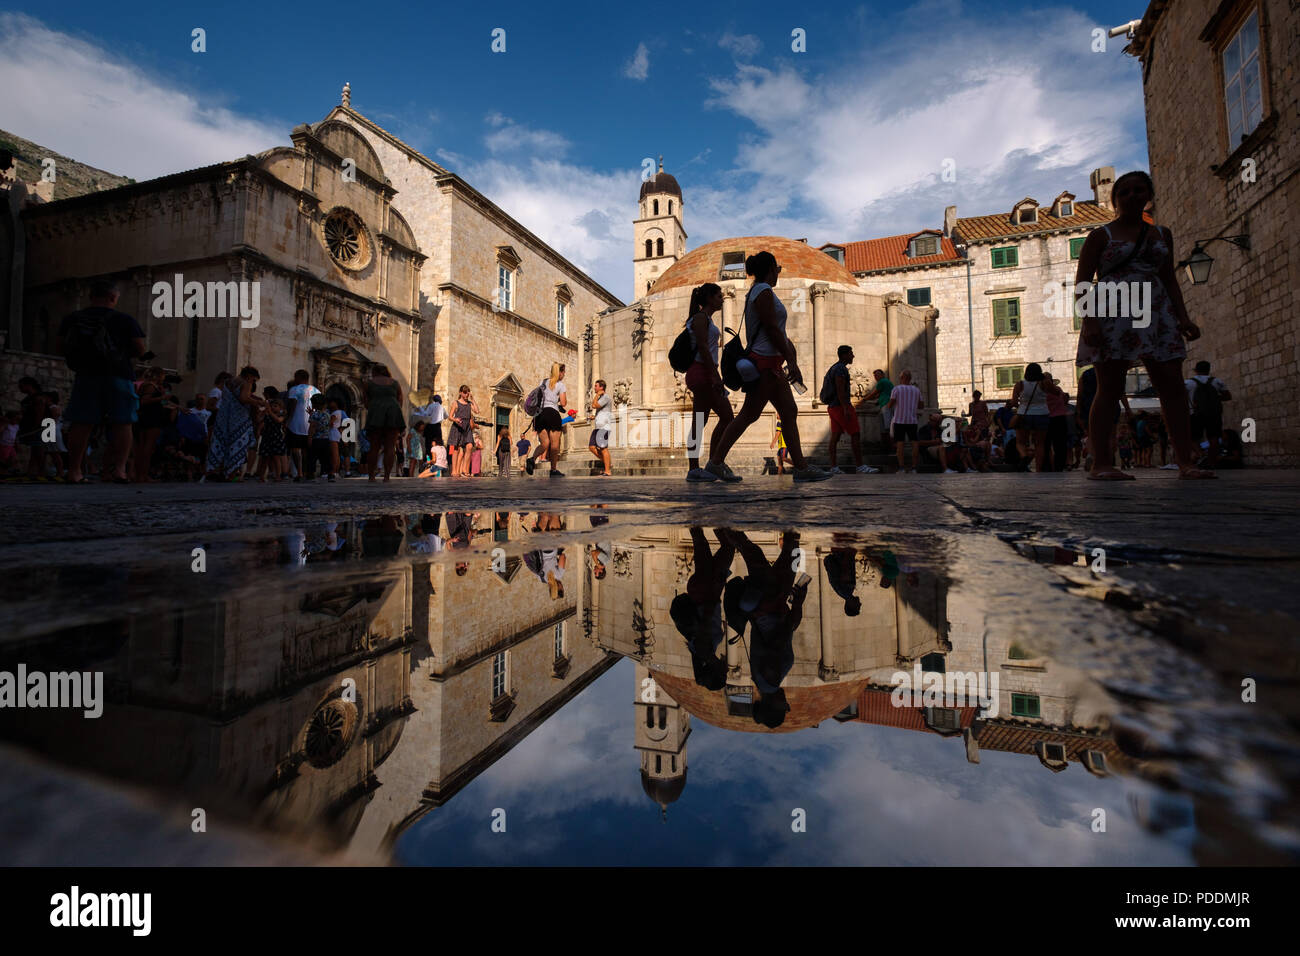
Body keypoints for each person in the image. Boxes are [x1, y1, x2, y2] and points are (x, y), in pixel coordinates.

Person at [1074, 169, 1214, 479]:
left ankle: (1185, 462)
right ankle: (1101, 464)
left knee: (1173, 387)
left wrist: (1183, 316)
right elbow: (1083, 282)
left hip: (1156, 310)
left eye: (1139, 190)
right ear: (1115, 200)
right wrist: (1090, 322)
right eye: (1125, 192)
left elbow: (1169, 278)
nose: (1133, 195)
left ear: (1148, 196)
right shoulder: (1101, 235)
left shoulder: (1162, 234)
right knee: (1109, 388)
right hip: (1113, 310)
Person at [701, 252, 830, 482]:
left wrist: (789, 354)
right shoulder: (762, 291)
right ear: (770, 269)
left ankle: (800, 467)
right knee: (749, 415)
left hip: (770, 363)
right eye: (777, 268)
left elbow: (776, 330)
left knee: (787, 411)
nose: (778, 273)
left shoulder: (760, 291)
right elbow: (771, 329)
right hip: (765, 363)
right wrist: (790, 359)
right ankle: (716, 462)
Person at [57, 280, 148, 484]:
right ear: (113, 297)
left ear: (91, 296)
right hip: (119, 374)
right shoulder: (124, 320)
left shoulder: (73, 318)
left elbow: (60, 346)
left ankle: (74, 471)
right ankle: (120, 470)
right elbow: (140, 349)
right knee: (123, 422)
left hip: (86, 374)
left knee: (82, 423)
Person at [680, 284, 735, 481]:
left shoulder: (705, 319)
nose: (721, 299)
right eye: (719, 296)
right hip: (703, 373)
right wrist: (715, 376)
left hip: (703, 373)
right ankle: (712, 463)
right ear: (710, 298)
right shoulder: (701, 318)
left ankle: (702, 466)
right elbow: (703, 347)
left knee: (700, 423)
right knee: (727, 417)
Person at [823, 344, 878, 474]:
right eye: (850, 353)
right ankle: (860, 466)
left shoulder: (834, 368)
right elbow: (840, 389)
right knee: (855, 434)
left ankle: (834, 467)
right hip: (841, 407)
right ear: (844, 355)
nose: (852, 356)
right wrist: (846, 408)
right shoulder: (841, 369)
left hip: (833, 406)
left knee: (835, 437)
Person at [205, 366, 264, 481]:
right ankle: (231, 474)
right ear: (249, 376)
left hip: (223, 417)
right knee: (236, 444)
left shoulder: (228, 382)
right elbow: (243, 398)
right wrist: (259, 402)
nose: (253, 382)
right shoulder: (246, 383)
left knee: (222, 443)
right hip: (238, 419)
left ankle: (217, 471)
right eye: (254, 379)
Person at [1009, 363, 1054, 473]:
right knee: (1040, 444)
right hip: (1042, 414)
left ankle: (1024, 456)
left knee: (1020, 442)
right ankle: (1038, 469)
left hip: (1024, 414)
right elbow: (1056, 392)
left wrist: (1021, 407)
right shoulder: (1044, 383)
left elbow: (1014, 402)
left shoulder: (1020, 384)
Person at [1185, 360, 1231, 468]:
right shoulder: (1217, 382)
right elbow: (1228, 396)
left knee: (1192, 437)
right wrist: (1213, 400)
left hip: (1195, 413)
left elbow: (1180, 398)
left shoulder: (1188, 383)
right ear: (1209, 370)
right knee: (1214, 437)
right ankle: (1211, 462)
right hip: (1214, 414)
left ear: (1196, 370)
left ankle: (1200, 454)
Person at [364, 364, 404, 482]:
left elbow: (365, 401)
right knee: (390, 447)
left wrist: (373, 408)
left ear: (374, 372)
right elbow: (400, 399)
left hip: (376, 413)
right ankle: (386, 476)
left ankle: (371, 477)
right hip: (393, 413)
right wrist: (396, 411)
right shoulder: (395, 383)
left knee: (374, 447)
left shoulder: (369, 383)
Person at [526, 363, 568, 477]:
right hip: (553, 414)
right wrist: (557, 400)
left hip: (540, 414)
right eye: (563, 372)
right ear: (560, 372)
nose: (564, 375)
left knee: (544, 443)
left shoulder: (543, 382)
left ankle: (532, 459)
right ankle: (553, 470)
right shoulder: (561, 385)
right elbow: (563, 403)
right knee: (554, 445)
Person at [132, 366, 169, 482]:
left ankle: (142, 474)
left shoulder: (149, 386)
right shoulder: (150, 386)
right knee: (147, 447)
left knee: (145, 447)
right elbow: (144, 401)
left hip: (149, 417)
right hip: (151, 418)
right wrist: (162, 397)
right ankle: (142, 475)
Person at [284, 370, 319, 483]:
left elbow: (292, 405)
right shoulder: (316, 390)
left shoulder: (294, 389)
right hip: (310, 424)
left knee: (295, 449)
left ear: (298, 377)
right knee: (306, 450)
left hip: (295, 423)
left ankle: (299, 473)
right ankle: (307, 472)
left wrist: (288, 420)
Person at [886, 369, 922, 473]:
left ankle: (901, 467)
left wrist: (889, 405)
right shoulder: (916, 390)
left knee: (900, 443)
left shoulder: (896, 389)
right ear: (910, 378)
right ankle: (914, 467)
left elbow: (890, 404)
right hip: (912, 420)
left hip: (899, 420)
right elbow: (921, 405)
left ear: (902, 378)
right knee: (914, 443)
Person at [447, 385, 477, 478]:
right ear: (460, 392)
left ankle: (465, 469)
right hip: (458, 426)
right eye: (465, 392)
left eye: (468, 392)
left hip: (467, 427)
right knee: (456, 449)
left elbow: (477, 411)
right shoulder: (456, 403)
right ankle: (454, 471)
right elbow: (450, 416)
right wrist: (455, 420)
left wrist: (473, 399)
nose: (466, 394)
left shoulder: (469, 403)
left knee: (470, 446)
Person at [256, 397, 289, 481]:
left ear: (280, 408)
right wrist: (262, 413)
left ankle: (278, 476)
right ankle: (262, 476)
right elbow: (258, 420)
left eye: (275, 406)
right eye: (272, 406)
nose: (273, 408)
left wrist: (269, 412)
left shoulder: (281, 415)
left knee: (276, 458)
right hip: (267, 438)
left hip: (276, 438)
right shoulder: (267, 415)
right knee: (265, 458)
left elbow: (278, 420)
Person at [863, 369, 894, 451]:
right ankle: (886, 447)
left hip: (887, 406)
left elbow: (874, 393)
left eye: (877, 375)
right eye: (875, 376)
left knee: (887, 428)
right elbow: (879, 395)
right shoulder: (886, 382)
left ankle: (890, 447)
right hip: (884, 405)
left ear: (882, 375)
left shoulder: (882, 381)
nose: (876, 377)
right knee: (884, 428)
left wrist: (864, 399)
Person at [588, 379, 613, 476]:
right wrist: (595, 417)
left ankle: (607, 470)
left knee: (603, 448)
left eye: (596, 386)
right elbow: (601, 410)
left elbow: (594, 405)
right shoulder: (602, 398)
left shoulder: (605, 397)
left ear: (601, 387)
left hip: (604, 427)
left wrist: (597, 395)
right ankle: (608, 463)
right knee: (591, 447)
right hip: (598, 426)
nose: (594, 388)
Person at [1045, 377, 1070, 472]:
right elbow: (1064, 400)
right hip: (1059, 419)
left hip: (1046, 419)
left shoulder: (1041, 392)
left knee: (1046, 444)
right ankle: (1059, 466)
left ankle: (1047, 467)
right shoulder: (1058, 390)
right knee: (1060, 445)